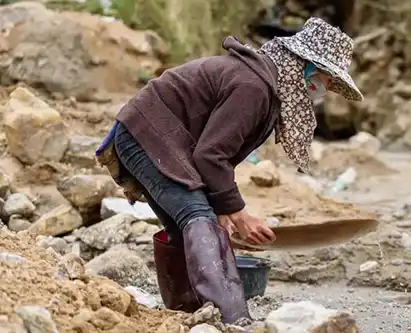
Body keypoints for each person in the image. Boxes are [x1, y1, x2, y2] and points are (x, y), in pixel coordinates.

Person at [94, 17, 363, 324]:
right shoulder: (254, 88)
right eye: (328, 80)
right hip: (149, 136)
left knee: (191, 224)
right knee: (197, 218)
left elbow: (211, 154)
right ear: (307, 66)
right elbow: (210, 156)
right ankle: (232, 319)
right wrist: (237, 212)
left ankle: (188, 314)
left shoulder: (263, 84)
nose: (326, 89)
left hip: (159, 139)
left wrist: (223, 209)